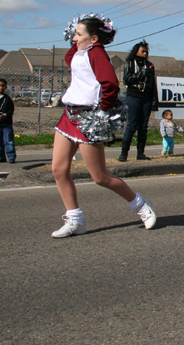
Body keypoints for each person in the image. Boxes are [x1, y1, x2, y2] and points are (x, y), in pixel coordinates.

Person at [51, 15, 156, 238]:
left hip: (88, 119)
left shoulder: (97, 53)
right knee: (59, 170)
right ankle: (75, 220)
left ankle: (140, 205)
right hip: (68, 115)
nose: (74, 38)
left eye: (79, 34)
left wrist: (102, 111)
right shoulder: (80, 52)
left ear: (95, 38)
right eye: (74, 33)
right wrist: (77, 38)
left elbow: (110, 84)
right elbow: (70, 58)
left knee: (100, 177)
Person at [119, 41, 157, 162]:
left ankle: (140, 153)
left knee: (143, 126)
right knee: (131, 124)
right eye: (142, 51)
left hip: (147, 97)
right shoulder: (130, 63)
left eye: (146, 52)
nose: (145, 54)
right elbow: (127, 80)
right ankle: (123, 153)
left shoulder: (150, 66)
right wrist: (141, 74)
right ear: (136, 51)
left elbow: (152, 84)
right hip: (133, 96)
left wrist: (155, 101)